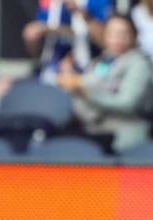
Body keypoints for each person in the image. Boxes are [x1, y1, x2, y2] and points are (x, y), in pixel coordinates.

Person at [58, 14, 153, 151]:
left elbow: (126, 103)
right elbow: (85, 85)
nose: (117, 38)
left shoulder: (139, 63)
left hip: (126, 133)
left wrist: (85, 90)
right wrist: (70, 80)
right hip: (93, 129)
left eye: (123, 33)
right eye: (112, 33)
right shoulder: (103, 60)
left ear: (135, 35)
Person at [23, 0, 113, 77]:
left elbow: (107, 43)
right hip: (51, 68)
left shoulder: (99, 2)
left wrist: (79, 11)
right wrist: (34, 35)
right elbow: (37, 49)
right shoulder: (49, 2)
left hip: (92, 68)